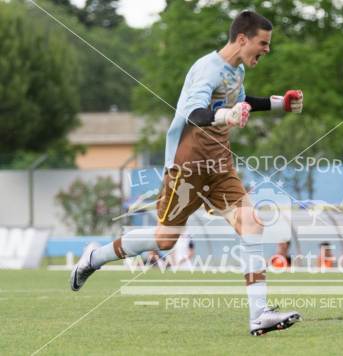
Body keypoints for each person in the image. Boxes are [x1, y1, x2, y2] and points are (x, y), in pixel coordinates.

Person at [70, 11, 304, 336]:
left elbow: (239, 100)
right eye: (262, 43)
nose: (266, 50)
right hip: (188, 166)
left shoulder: (235, 70)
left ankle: (259, 314)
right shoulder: (207, 69)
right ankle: (94, 258)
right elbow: (195, 113)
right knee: (166, 239)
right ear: (242, 39)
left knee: (251, 222)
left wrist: (279, 104)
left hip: (220, 166)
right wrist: (227, 115)